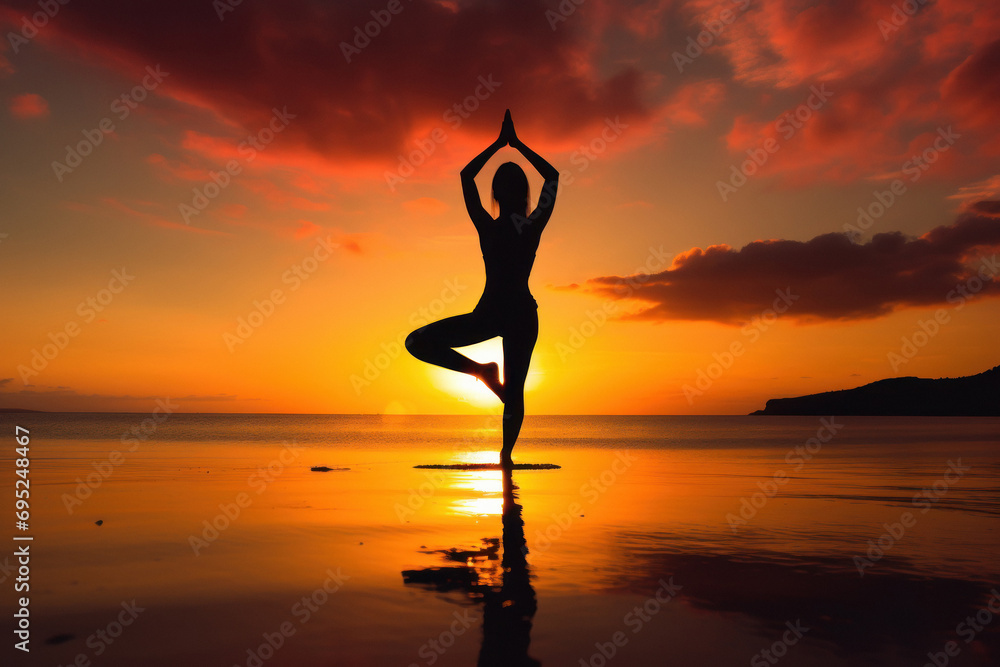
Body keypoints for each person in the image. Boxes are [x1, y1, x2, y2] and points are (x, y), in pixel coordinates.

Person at [405, 109, 558, 466]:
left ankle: (506, 457)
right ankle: (482, 371)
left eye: (509, 184)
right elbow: (466, 177)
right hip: (489, 313)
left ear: (512, 192)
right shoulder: (488, 225)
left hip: (519, 313)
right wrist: (507, 145)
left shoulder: (531, 225)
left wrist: (511, 145)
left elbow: (551, 177)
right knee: (417, 342)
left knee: (516, 391)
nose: (504, 189)